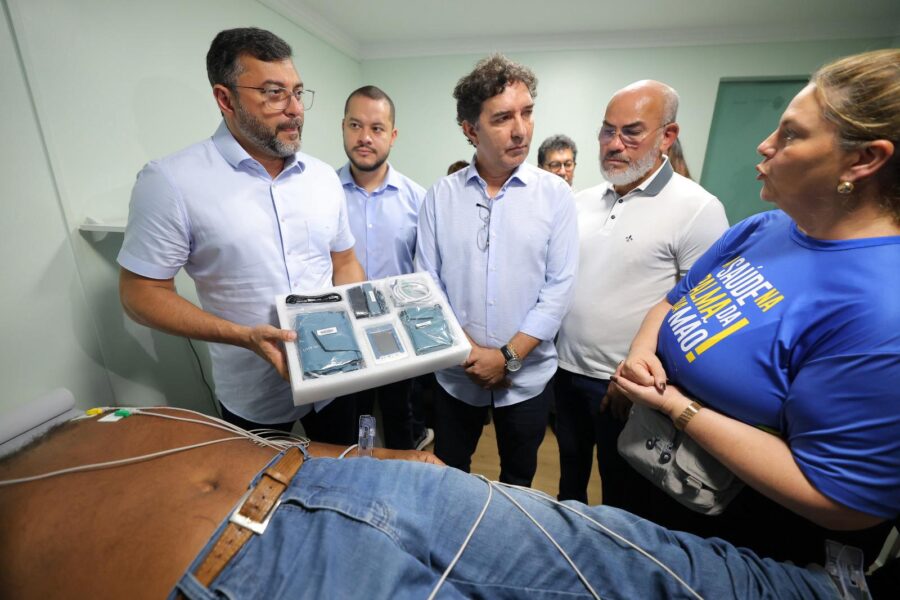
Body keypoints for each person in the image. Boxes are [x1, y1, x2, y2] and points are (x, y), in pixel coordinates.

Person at [0, 410, 854, 599]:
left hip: (342, 480)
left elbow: (255, 443)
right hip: (268, 575)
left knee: (626, 552)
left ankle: (836, 592)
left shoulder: (85, 423)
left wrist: (374, 455)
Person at [612, 48, 900, 566]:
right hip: (654, 473)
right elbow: (670, 303)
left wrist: (678, 408)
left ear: (863, 160)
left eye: (791, 135)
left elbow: (842, 502)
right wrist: (641, 352)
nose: (765, 145)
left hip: (744, 537)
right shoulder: (764, 228)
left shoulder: (882, 307)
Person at [117, 28, 364, 442]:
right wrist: (244, 337)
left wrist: (356, 321)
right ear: (225, 99)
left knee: (344, 470)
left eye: (297, 92)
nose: (295, 110)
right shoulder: (171, 182)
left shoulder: (323, 177)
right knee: (257, 482)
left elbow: (345, 261)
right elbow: (140, 293)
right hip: (252, 394)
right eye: (273, 93)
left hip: (336, 377)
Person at [554, 80, 728, 505]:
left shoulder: (698, 209)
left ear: (667, 136)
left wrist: (636, 373)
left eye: (631, 132)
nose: (614, 144)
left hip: (628, 389)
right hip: (563, 374)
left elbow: (699, 313)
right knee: (569, 484)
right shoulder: (580, 201)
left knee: (624, 498)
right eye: (607, 130)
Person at [417, 55, 578, 487]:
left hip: (527, 380)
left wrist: (507, 358)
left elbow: (559, 289)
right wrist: (471, 355)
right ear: (471, 130)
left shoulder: (555, 196)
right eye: (503, 118)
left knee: (518, 481)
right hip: (457, 375)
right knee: (449, 475)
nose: (521, 130)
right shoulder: (440, 197)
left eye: (527, 113)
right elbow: (428, 289)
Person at [333, 85, 433, 451]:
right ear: (343, 127)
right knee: (346, 429)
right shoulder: (323, 194)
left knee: (400, 425)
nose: (365, 137)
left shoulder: (418, 200)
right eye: (355, 125)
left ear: (392, 135)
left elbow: (427, 275)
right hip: (340, 339)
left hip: (400, 339)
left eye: (376, 128)